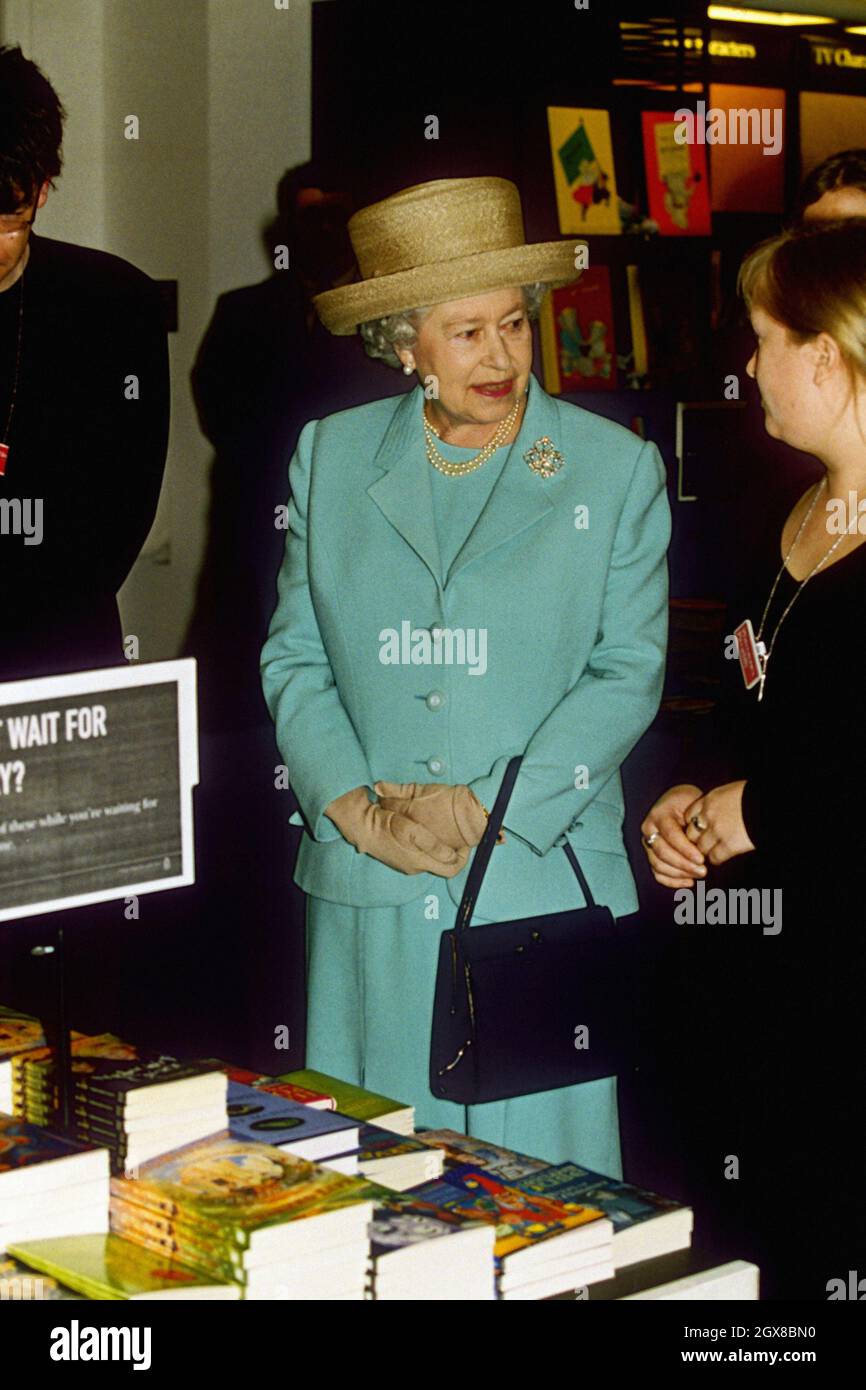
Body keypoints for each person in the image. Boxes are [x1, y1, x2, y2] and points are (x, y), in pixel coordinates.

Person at [261, 175, 670, 1175]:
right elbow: (294, 653)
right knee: (368, 1188)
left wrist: (480, 806)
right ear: (403, 345)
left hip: (534, 888)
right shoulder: (330, 456)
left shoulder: (610, 469)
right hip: (370, 888)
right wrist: (357, 810)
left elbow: (626, 673)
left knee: (543, 1210)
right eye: (464, 332)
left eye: (512, 325)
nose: (499, 357)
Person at [641, 219, 866, 1299]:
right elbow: (749, 717)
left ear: (825, 355)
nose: (744, 362)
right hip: (755, 981)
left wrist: (761, 811)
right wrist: (687, 794)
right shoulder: (792, 508)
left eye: (766, 336)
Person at [0, 45, 169, 682]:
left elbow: (123, 513)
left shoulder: (114, 305)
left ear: (43, 190)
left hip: (62, 657)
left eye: (7, 217)